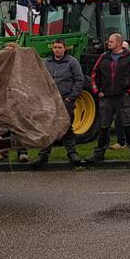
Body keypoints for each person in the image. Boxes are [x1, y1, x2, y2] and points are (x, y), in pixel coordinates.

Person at [86, 33, 130, 165]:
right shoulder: (103, 57)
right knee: (104, 126)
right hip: (106, 97)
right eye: (109, 41)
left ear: (119, 43)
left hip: (123, 97)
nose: (108, 43)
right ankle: (99, 153)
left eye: (111, 41)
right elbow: (94, 74)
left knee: (129, 124)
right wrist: (97, 91)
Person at [31, 39, 84, 168]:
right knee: (49, 126)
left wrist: (71, 98)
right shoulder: (47, 62)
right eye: (55, 47)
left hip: (66, 99)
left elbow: (79, 80)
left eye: (59, 47)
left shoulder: (72, 62)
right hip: (50, 100)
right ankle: (43, 155)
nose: (57, 50)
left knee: (66, 126)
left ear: (65, 48)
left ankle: (72, 153)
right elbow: (41, 79)